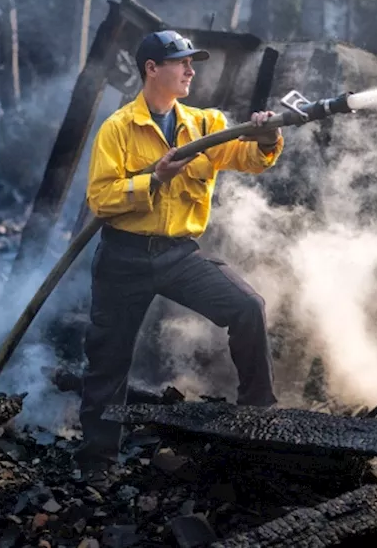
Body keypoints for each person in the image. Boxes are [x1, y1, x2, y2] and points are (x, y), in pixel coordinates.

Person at [78, 29, 284, 467]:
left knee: (247, 307)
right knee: (107, 364)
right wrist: (155, 178)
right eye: (182, 62)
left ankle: (257, 422)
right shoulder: (118, 129)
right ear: (152, 69)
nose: (191, 70)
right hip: (123, 258)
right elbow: (101, 199)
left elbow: (248, 158)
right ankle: (96, 464)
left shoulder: (205, 124)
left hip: (178, 255)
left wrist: (267, 138)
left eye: (193, 62)